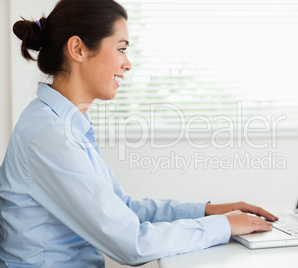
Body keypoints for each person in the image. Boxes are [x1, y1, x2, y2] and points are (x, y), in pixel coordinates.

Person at [0, 0, 278, 266]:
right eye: (121, 49)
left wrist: (208, 211)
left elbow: (123, 207)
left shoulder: (65, 124)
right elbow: (131, 245)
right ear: (78, 49)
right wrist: (223, 226)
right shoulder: (51, 133)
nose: (127, 63)